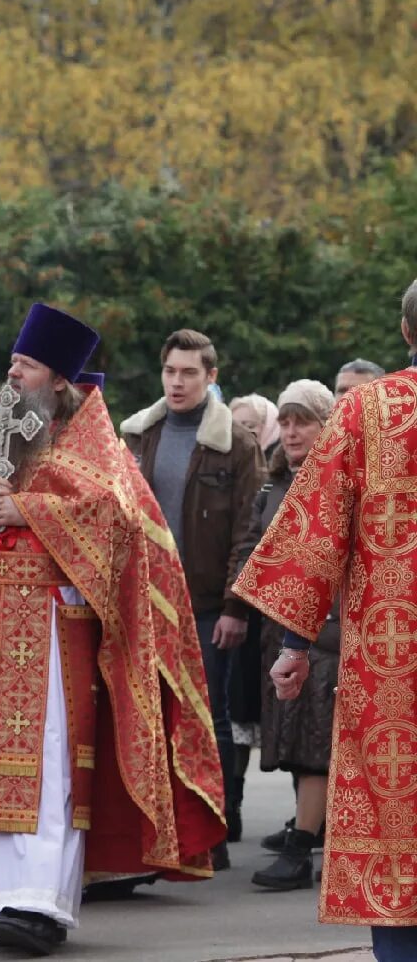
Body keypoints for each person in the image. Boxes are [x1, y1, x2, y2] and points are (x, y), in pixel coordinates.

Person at [0, 305, 225, 955]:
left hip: (58, 624)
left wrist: (27, 509)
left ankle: (38, 901)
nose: (12, 371)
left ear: (56, 379)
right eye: (12, 362)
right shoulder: (6, 426)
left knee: (48, 762)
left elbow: (112, 517)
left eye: (23, 365)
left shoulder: (94, 437)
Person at [235, 281, 417, 961]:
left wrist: (293, 644)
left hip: (391, 661)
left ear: (403, 333)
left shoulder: (367, 410)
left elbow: (315, 538)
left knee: (396, 824)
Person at [122, 329, 265, 856]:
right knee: (152, 714)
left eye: (189, 373)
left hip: (206, 604)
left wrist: (235, 607)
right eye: (170, 371)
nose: (177, 382)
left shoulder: (238, 444)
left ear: (211, 377)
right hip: (145, 599)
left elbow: (249, 536)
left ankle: (216, 831)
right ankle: (164, 831)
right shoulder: (139, 434)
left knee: (212, 717)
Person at [229, 380, 338, 890]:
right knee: (298, 739)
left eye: (305, 422)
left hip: (324, 632)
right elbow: (253, 548)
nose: (292, 432)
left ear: (327, 425)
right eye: (287, 422)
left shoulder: (337, 479)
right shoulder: (275, 485)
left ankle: (303, 848)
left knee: (315, 743)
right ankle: (309, 829)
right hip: (282, 633)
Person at [231, 394, 281, 463]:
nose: (239, 433)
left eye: (249, 426)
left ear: (269, 428)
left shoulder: (286, 465)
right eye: (235, 427)